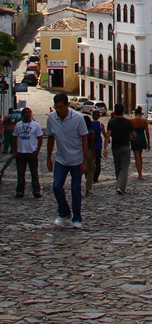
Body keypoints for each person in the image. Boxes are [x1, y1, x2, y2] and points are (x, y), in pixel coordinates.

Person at [46, 92, 89, 228]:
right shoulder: (52, 119)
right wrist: (48, 158)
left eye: (61, 107)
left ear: (67, 105)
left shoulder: (78, 119)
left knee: (75, 189)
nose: (58, 110)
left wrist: (84, 161)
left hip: (76, 159)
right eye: (56, 107)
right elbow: (51, 138)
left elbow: (84, 139)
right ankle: (64, 212)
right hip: (61, 159)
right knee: (56, 186)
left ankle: (77, 218)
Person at [12, 107, 43, 199]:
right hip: (21, 152)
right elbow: (14, 137)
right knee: (20, 174)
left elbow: (40, 138)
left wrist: (37, 151)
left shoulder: (36, 125)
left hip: (31, 152)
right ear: (23, 114)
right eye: (25, 113)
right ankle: (20, 191)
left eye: (29, 112)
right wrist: (15, 151)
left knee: (34, 173)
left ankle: (36, 191)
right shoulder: (18, 125)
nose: (27, 114)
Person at [104, 103, 134, 195]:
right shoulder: (128, 122)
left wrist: (104, 148)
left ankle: (119, 184)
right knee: (124, 168)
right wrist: (131, 138)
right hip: (125, 146)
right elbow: (134, 134)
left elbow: (108, 135)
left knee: (117, 167)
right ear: (123, 111)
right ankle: (120, 186)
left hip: (115, 147)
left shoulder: (112, 122)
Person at [130, 106, 150, 180]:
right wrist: (148, 143)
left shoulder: (132, 121)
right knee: (140, 156)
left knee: (137, 157)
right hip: (142, 137)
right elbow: (147, 132)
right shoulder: (144, 121)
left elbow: (129, 131)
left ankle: (139, 173)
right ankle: (140, 171)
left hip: (135, 138)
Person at [82, 114, 97, 196]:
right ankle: (88, 189)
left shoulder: (80, 132)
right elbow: (92, 145)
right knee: (90, 172)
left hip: (80, 152)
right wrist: (94, 156)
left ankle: (77, 187)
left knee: (79, 171)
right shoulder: (91, 133)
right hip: (89, 152)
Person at [90, 110, 105, 184]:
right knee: (97, 162)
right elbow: (105, 134)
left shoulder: (89, 124)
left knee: (90, 161)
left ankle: (89, 175)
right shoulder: (100, 125)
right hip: (98, 146)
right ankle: (95, 177)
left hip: (90, 145)